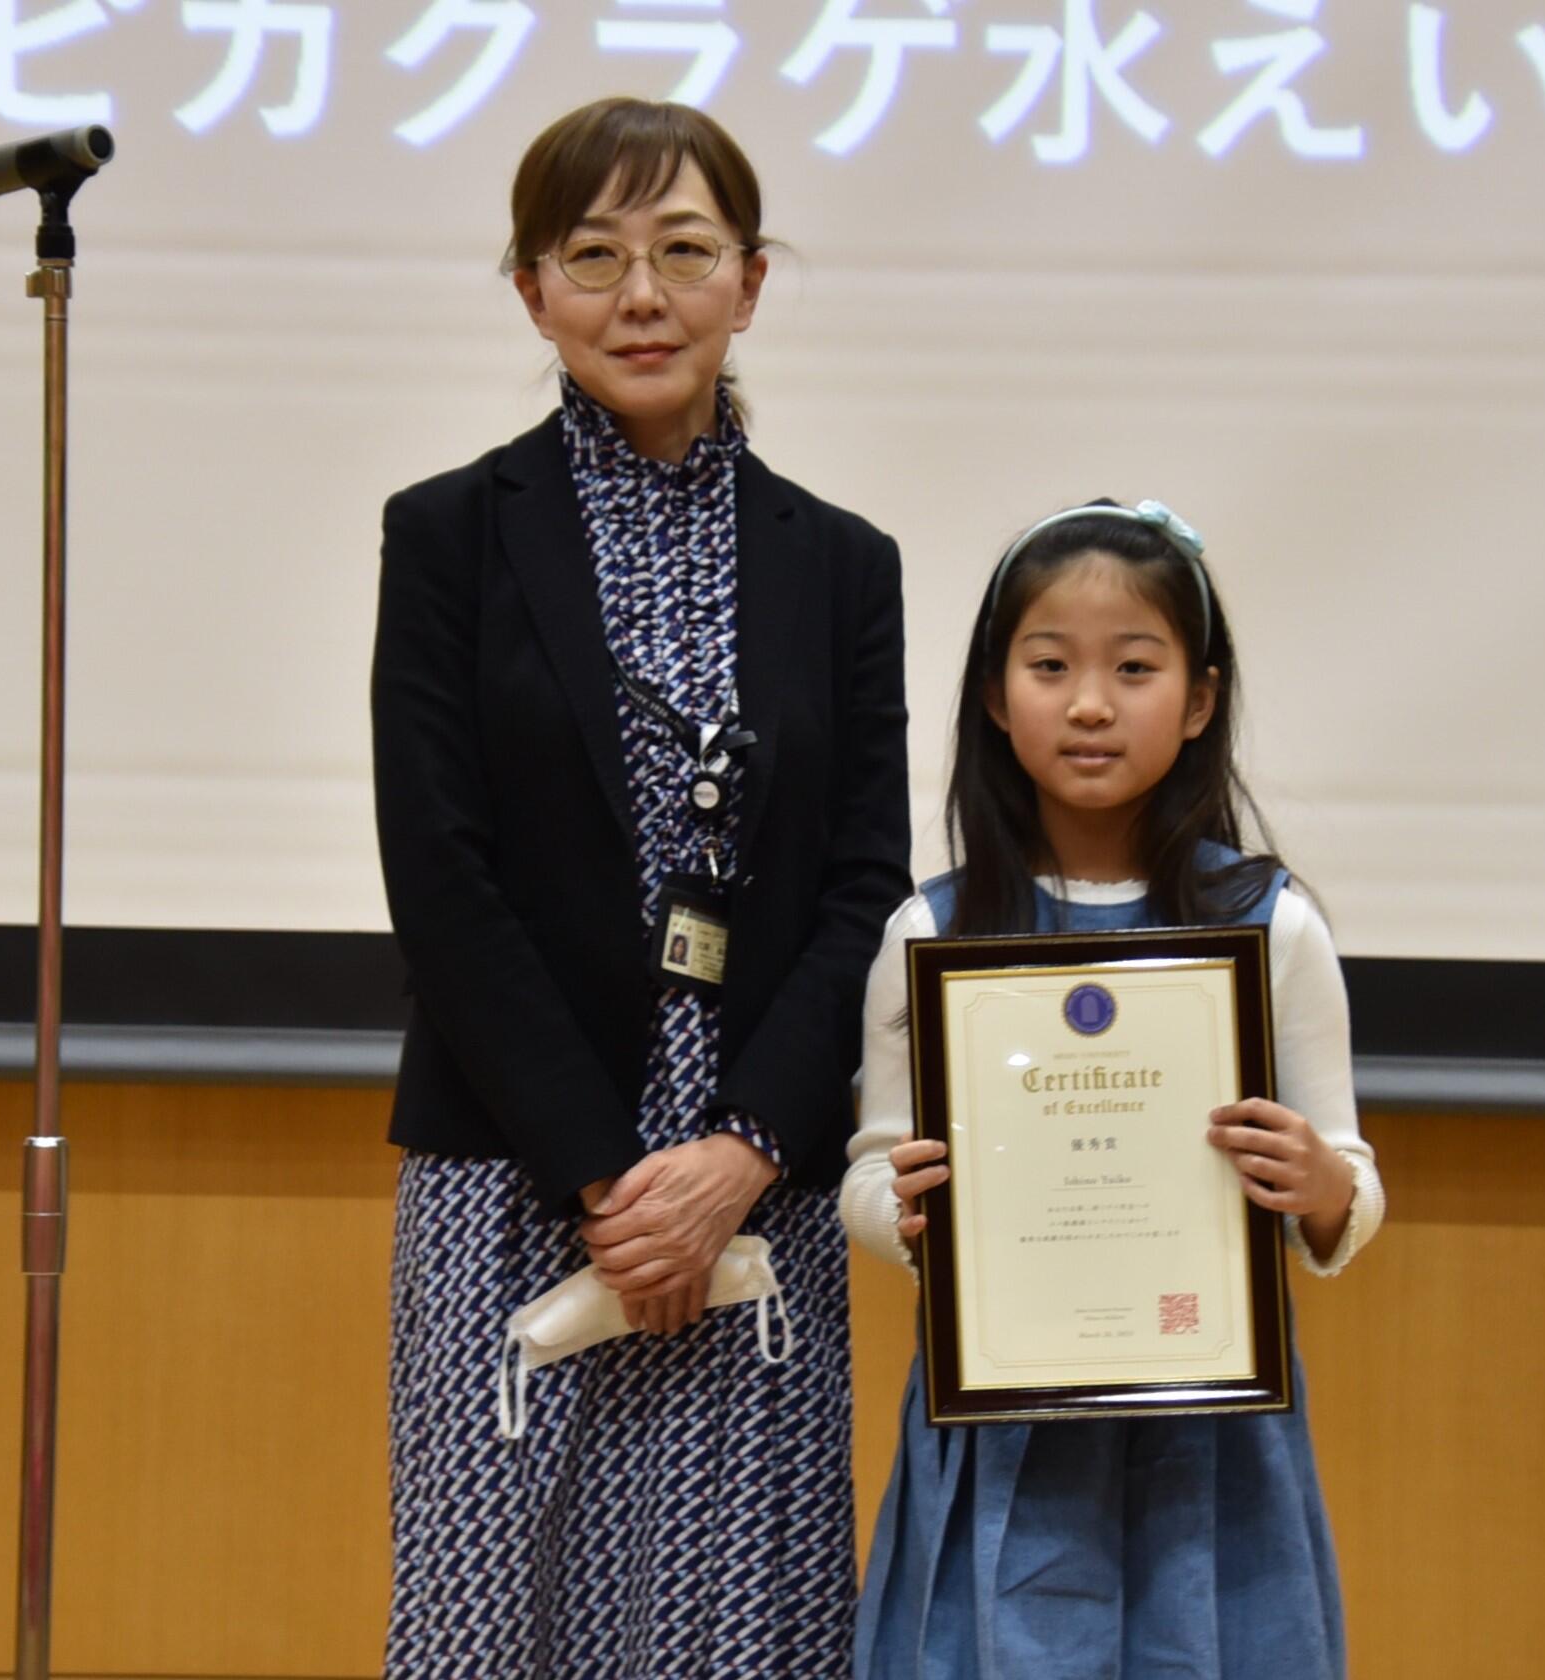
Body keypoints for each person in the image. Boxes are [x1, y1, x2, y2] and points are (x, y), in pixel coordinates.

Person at [370, 97, 910, 1678]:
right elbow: (442, 881)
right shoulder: (454, 536)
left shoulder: (841, 562)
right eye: (593, 256)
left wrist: (735, 1157)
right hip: (520, 1174)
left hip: (755, 1182)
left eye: (683, 251)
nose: (641, 296)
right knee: (491, 1630)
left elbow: (865, 886)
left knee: (738, 1631)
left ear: (748, 281)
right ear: (533, 291)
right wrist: (614, 1184)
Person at [841, 500, 1385, 1679]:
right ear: (995, 694)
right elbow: (869, 1177)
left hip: (1214, 1440)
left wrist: (1317, 1187)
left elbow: (1347, 1183)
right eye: (1049, 666)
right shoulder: (929, 932)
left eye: (1133, 668)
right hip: (998, 1425)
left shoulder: (1268, 925)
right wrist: (905, 1210)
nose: (1089, 703)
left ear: (1196, 701)